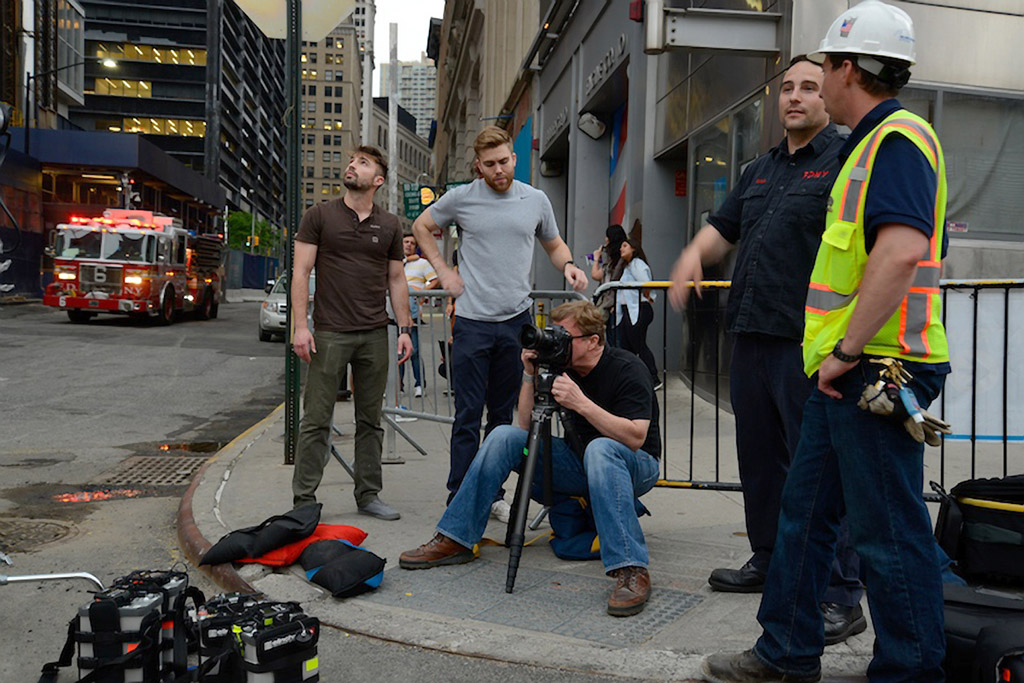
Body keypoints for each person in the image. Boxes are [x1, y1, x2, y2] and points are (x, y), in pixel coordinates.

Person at [702, 2, 952, 680]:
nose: (813, 83)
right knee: (804, 517)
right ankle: (785, 649)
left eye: (823, 70)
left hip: (879, 368)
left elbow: (899, 254)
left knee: (887, 535)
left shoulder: (896, 139)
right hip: (847, 373)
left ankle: (911, 669)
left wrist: (845, 353)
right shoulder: (870, 144)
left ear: (846, 68)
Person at [668, 56, 864, 644]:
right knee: (759, 462)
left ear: (829, 95)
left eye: (808, 87)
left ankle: (839, 594)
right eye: (787, 88)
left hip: (807, 345)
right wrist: (689, 257)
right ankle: (771, 559)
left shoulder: (846, 160)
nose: (795, 97)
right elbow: (722, 228)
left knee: (821, 471)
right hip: (750, 336)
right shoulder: (759, 168)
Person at [398, 300, 661, 617]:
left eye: (566, 336)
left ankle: (631, 569)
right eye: (554, 334)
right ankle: (456, 538)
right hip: (580, 460)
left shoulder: (627, 368)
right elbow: (525, 428)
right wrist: (528, 374)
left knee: (600, 448)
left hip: (634, 464)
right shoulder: (562, 368)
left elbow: (636, 437)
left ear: (593, 340)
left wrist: (581, 404)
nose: (557, 343)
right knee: (503, 436)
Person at [411, 126, 589, 521]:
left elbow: (554, 243)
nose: (498, 170)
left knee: (504, 418)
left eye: (504, 161)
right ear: (478, 166)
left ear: (514, 159)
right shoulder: (460, 199)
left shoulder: (535, 200)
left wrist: (570, 266)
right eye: (490, 164)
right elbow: (421, 226)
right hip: (473, 322)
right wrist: (442, 268)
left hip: (516, 322)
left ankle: (493, 494)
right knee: (467, 416)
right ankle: (459, 494)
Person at [291, 145, 414, 521]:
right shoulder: (320, 216)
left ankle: (368, 494)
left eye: (362, 163)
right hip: (330, 332)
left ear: (377, 180)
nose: (352, 165)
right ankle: (304, 502)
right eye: (351, 160)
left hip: (375, 333)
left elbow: (396, 279)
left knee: (370, 420)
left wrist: (405, 329)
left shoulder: (391, 224)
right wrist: (300, 326)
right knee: (316, 419)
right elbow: (301, 272)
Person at [617, 238, 659, 388]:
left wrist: (648, 295)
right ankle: (632, 377)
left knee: (638, 344)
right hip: (629, 309)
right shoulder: (628, 267)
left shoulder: (637, 265)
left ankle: (653, 378)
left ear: (633, 248)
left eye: (625, 245)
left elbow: (645, 283)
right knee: (627, 345)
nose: (621, 249)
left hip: (638, 308)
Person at [401, 233, 438, 397]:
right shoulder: (397, 263)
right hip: (393, 312)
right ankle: (398, 386)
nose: (409, 245)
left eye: (412, 243)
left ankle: (419, 384)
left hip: (413, 311)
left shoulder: (422, 263)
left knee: (414, 350)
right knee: (397, 352)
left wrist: (422, 291)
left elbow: (435, 280)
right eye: (406, 242)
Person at [591, 224, 628, 344]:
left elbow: (599, 276)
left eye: (607, 237)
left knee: (614, 338)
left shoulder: (621, 261)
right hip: (608, 302)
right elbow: (597, 275)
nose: (605, 240)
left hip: (612, 303)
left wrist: (596, 258)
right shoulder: (611, 261)